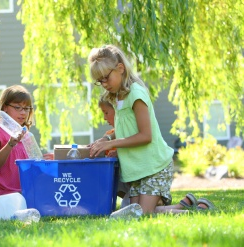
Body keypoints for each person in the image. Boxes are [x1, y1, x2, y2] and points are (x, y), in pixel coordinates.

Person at [88, 45, 215, 215]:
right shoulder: (118, 97)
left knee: (143, 213)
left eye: (106, 78)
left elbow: (145, 136)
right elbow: (127, 129)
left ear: (120, 68)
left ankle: (196, 213)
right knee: (135, 212)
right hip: (137, 170)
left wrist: (112, 144)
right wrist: (108, 140)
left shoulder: (136, 94)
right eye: (99, 81)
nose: (103, 84)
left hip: (154, 166)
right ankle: (183, 207)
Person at [0, 85, 53, 197]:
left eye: (26, 108)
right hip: (3, 196)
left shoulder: (27, 135)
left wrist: (46, 162)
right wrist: (10, 144)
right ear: (5, 107)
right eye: (17, 107)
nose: (23, 113)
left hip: (26, 193)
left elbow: (33, 169)